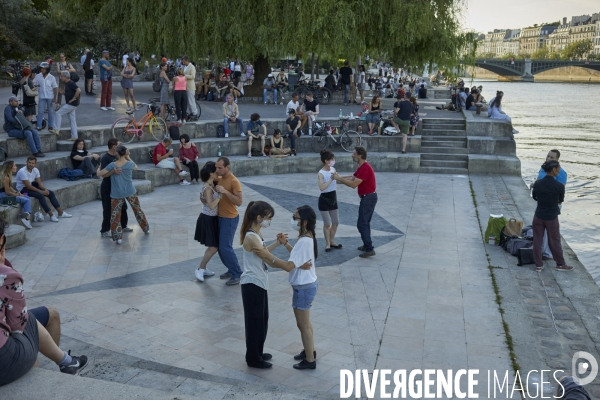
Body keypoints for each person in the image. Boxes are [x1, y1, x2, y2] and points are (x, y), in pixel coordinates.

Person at [0, 222, 88, 387]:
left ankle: (65, 362)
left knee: (49, 313)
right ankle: (59, 367)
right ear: (2, 239)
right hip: (4, 362)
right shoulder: (5, 275)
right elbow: (18, 323)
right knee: (28, 319)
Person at [252, 205, 318, 370]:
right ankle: (310, 351)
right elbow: (297, 256)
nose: (292, 220)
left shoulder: (304, 240)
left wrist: (269, 256)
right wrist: (285, 244)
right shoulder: (306, 237)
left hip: (303, 288)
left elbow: (289, 266)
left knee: (303, 325)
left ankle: (310, 360)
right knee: (306, 323)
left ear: (304, 222)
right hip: (306, 285)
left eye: (295, 218)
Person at [97, 145, 149, 244]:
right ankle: (145, 228)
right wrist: (128, 156)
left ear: (116, 153)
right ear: (125, 153)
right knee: (138, 210)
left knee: (115, 215)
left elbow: (100, 174)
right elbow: (136, 167)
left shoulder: (113, 165)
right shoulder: (129, 164)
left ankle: (118, 237)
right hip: (130, 191)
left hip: (117, 193)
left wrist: (99, 167)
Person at [333, 146, 377, 258]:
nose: (352, 155)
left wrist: (338, 178)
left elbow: (353, 184)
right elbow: (352, 178)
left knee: (362, 224)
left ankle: (369, 248)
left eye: (354, 153)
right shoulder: (361, 167)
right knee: (364, 223)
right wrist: (336, 180)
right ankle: (367, 245)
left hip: (368, 198)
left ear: (359, 156)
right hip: (368, 198)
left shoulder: (365, 168)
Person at [531, 160, 572, 272]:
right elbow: (560, 200)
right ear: (553, 170)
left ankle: (538, 265)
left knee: (537, 240)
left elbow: (535, 197)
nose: (559, 170)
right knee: (554, 241)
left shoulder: (538, 183)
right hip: (551, 217)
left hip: (538, 215)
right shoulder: (559, 186)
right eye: (558, 168)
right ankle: (560, 264)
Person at [212, 157, 243, 286]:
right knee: (220, 247)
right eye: (216, 167)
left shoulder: (234, 181)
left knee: (225, 247)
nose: (217, 170)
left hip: (229, 218)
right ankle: (231, 270)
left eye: (220, 168)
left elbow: (239, 202)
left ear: (227, 167)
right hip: (219, 217)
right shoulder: (218, 179)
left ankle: (237, 273)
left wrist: (225, 192)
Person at [534, 150, 567, 261]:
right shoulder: (543, 169)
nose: (549, 158)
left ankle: (548, 253)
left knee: (550, 232)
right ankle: (543, 251)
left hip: (553, 205)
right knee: (541, 230)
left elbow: (560, 191)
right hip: (542, 203)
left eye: (552, 157)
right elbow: (539, 181)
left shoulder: (561, 173)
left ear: (557, 160)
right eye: (548, 156)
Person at [16, 156, 72, 222]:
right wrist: (41, 192)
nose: (31, 164)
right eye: (29, 163)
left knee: (50, 193)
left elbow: (39, 183)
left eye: (32, 163)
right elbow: (28, 186)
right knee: (40, 195)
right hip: (23, 189)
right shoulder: (22, 171)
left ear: (35, 164)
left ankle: (61, 213)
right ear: (26, 162)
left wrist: (45, 190)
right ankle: (51, 215)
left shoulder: (35, 170)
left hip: (30, 186)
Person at [193, 161, 220, 282]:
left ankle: (203, 267)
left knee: (213, 246)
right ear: (211, 173)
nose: (218, 172)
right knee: (213, 247)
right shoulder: (208, 188)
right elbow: (211, 206)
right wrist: (220, 196)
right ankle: (200, 268)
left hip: (212, 218)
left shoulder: (212, 184)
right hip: (207, 219)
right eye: (216, 171)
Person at [99, 138, 131, 238]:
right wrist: (113, 172)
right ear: (114, 147)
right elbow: (102, 174)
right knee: (107, 209)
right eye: (118, 144)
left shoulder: (119, 156)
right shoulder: (106, 158)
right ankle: (105, 230)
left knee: (123, 207)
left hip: (118, 187)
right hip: (108, 187)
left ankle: (124, 225)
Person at [318, 150, 341, 252]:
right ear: (326, 161)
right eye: (331, 159)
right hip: (324, 199)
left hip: (333, 198)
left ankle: (332, 241)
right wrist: (332, 179)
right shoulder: (321, 173)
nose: (333, 161)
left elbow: (338, 180)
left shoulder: (333, 169)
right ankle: (327, 243)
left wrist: (350, 178)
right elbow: (322, 187)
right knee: (327, 223)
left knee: (335, 222)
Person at [0, 161, 33, 229]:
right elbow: (8, 192)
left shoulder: (7, 176)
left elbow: (10, 187)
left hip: (4, 195)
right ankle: (26, 218)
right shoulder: (6, 178)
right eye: (14, 166)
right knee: (26, 200)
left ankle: (25, 215)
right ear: (10, 168)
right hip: (3, 198)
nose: (16, 167)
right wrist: (17, 195)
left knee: (27, 197)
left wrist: (18, 193)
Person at [33, 62, 59, 133]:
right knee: (40, 111)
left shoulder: (51, 77)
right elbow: (34, 83)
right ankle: (39, 126)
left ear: (47, 69)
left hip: (50, 97)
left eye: (44, 69)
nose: (42, 70)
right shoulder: (38, 76)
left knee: (50, 112)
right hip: (42, 96)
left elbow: (55, 88)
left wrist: (55, 97)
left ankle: (50, 126)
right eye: (41, 68)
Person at [55, 71, 81, 141]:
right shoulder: (67, 84)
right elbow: (69, 93)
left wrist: (73, 99)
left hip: (72, 104)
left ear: (66, 77)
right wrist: (63, 93)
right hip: (73, 104)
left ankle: (56, 129)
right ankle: (75, 136)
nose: (60, 78)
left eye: (62, 76)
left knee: (58, 113)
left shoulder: (71, 83)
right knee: (72, 120)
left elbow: (78, 90)